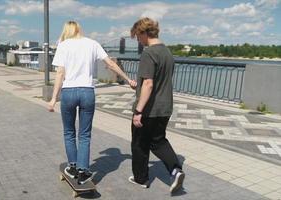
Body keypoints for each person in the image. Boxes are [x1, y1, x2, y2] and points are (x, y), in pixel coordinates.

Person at [48, 21, 136, 185]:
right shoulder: (92, 44)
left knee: (69, 132)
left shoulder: (63, 45)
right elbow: (110, 63)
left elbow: (60, 73)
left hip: (68, 92)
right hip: (87, 92)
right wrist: (128, 79)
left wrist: (53, 98)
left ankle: (72, 167)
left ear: (66, 31)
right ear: (80, 29)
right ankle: (83, 171)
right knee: (84, 134)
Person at [128, 17, 185, 193]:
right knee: (159, 141)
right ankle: (175, 170)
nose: (138, 40)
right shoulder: (167, 53)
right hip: (165, 107)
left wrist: (138, 111)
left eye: (138, 36)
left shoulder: (149, 53)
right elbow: (160, 80)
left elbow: (149, 84)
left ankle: (141, 178)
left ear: (144, 33)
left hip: (149, 109)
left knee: (139, 143)